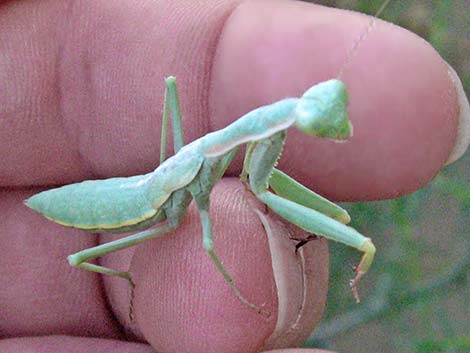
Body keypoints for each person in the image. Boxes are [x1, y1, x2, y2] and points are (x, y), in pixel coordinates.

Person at [0, 0, 467, 352]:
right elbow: (211, 241)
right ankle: (174, 288)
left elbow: (257, 185)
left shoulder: (238, 136)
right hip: (126, 201)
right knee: (174, 243)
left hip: (156, 181)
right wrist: (240, 299)